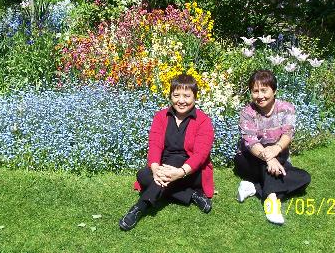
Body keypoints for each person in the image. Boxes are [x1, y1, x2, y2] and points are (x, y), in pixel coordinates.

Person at [119, 74, 215, 231]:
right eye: (176, 95)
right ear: (170, 96)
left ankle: (138, 208)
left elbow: (200, 155)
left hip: (190, 171)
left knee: (171, 165)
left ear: (195, 97)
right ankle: (191, 195)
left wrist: (180, 172)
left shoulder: (203, 121)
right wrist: (156, 169)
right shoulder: (160, 116)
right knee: (143, 175)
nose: (181, 100)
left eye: (187, 96)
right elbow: (155, 145)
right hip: (165, 167)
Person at [234, 69, 311, 225]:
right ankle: (272, 202)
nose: (260, 96)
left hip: (277, 157)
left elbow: (287, 135)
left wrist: (274, 151)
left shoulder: (286, 108)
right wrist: (269, 158)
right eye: (255, 91)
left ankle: (254, 187)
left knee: (304, 178)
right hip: (248, 160)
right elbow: (251, 142)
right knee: (273, 164)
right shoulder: (247, 113)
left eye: (264, 90)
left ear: (274, 90)